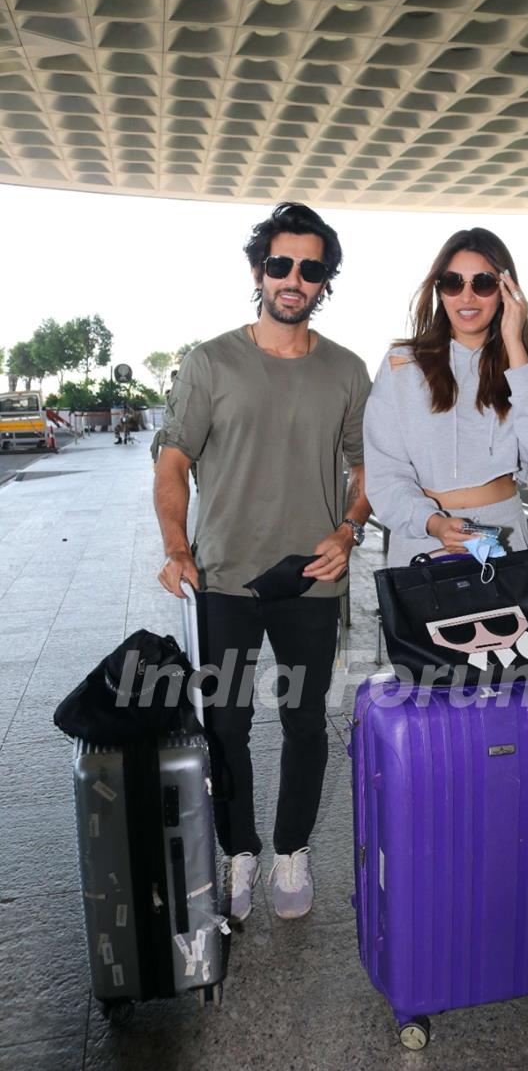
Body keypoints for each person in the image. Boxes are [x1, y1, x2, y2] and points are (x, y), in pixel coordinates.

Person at [153, 202, 371, 923]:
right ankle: (240, 852)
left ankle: (290, 853)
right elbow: (174, 459)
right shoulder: (212, 362)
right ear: (259, 270)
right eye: (281, 264)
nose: (294, 279)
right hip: (224, 576)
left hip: (311, 579)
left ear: (324, 282)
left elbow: (367, 465)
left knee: (307, 721)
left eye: (311, 269)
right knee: (227, 725)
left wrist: (348, 528)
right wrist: (176, 546)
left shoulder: (345, 370)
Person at [363, 227, 528, 566]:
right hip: (423, 536)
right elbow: (385, 470)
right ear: (439, 290)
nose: (467, 296)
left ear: (506, 290)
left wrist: (515, 345)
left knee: (508, 621)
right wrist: (433, 523)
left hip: (503, 533)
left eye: (484, 283)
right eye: (453, 282)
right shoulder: (403, 364)